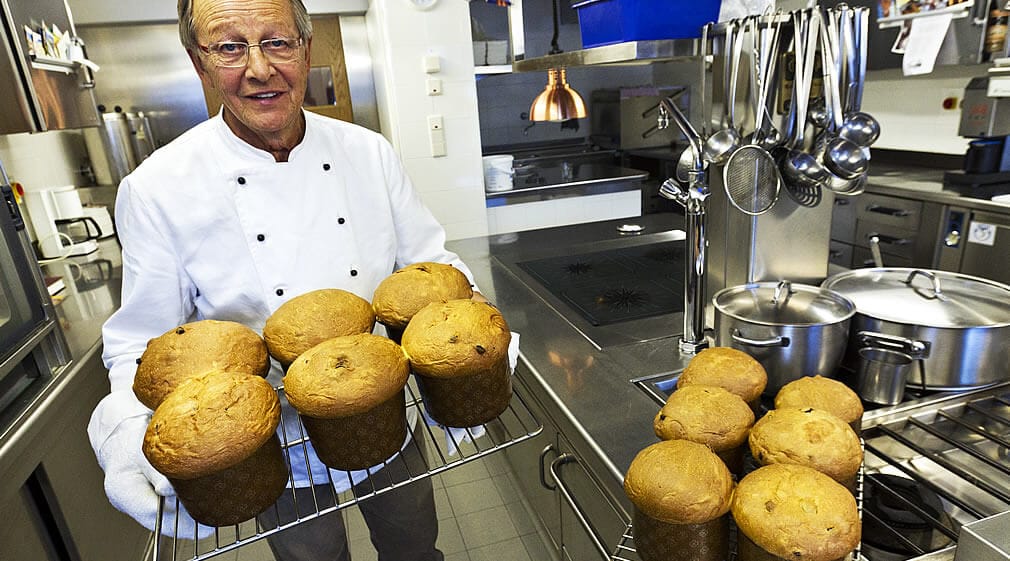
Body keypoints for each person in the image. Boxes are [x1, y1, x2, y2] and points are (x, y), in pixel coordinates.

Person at [87, 0, 478, 559]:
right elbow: (140, 344)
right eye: (229, 47)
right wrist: (125, 425)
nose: (259, 68)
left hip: (381, 409)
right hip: (272, 443)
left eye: (276, 42)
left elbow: (428, 262)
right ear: (200, 63)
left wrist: (472, 320)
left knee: (415, 544)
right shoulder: (157, 188)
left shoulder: (368, 152)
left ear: (306, 49)